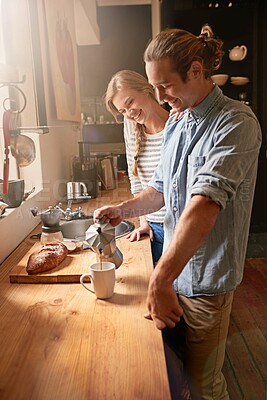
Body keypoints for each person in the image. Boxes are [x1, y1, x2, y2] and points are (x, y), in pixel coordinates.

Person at [95, 24, 262, 399]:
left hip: (204, 281)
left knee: (205, 386)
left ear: (197, 71)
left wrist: (160, 280)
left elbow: (203, 206)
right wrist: (123, 209)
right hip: (174, 273)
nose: (159, 95)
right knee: (175, 371)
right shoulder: (177, 123)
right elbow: (158, 192)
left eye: (166, 85)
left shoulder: (236, 123)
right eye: (153, 87)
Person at [105, 70, 169, 264]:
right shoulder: (130, 125)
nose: (129, 113)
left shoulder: (177, 124)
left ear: (147, 90)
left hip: (181, 228)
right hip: (154, 228)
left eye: (130, 102)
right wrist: (144, 222)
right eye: (123, 111)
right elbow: (136, 180)